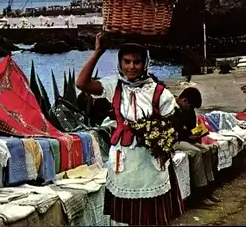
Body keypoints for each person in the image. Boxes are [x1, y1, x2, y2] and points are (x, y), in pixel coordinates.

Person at [75, 34, 184, 226]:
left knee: (153, 218)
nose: (131, 67)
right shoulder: (114, 85)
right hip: (124, 158)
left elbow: (174, 123)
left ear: (145, 64)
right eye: (126, 61)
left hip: (150, 162)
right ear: (120, 62)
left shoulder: (158, 92)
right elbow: (81, 83)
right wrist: (98, 53)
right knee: (130, 218)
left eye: (137, 62)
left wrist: (158, 137)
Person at [171, 87, 220, 207]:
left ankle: (208, 188)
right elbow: (173, 130)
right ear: (184, 101)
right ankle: (200, 193)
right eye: (190, 106)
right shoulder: (170, 107)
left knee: (206, 150)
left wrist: (195, 134)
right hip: (173, 140)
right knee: (196, 152)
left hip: (184, 138)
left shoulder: (188, 109)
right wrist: (187, 135)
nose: (191, 109)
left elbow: (191, 126)